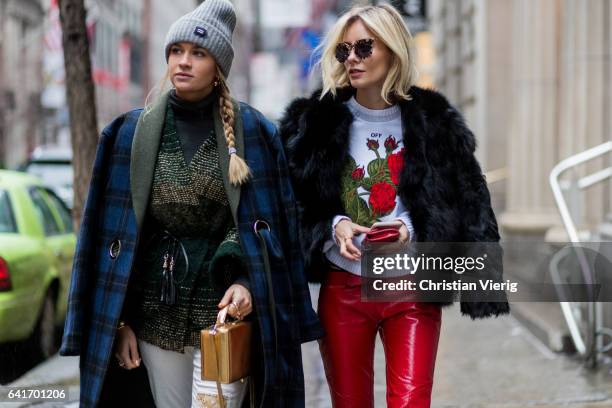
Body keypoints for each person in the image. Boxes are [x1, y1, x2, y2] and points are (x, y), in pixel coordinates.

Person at [60, 1, 323, 407]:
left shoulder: (253, 131)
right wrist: (120, 322)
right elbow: (111, 237)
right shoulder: (129, 133)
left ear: (218, 65)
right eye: (176, 51)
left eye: (198, 53)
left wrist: (247, 281)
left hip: (224, 313)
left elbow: (274, 228)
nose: (183, 62)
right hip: (153, 311)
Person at [280, 4, 510, 408]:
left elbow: (468, 197)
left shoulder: (433, 120)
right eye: (344, 50)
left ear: (393, 50)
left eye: (365, 47)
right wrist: (335, 224)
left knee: (411, 402)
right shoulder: (314, 124)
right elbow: (291, 202)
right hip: (344, 288)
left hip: (411, 289)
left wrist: (412, 227)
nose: (352, 58)